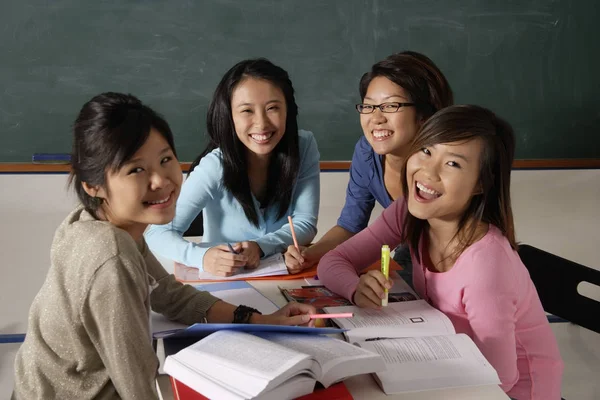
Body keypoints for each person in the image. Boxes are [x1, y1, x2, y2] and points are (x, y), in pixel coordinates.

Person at [12, 93, 316, 400]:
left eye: (165, 159)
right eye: (136, 169)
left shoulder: (99, 224)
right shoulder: (110, 255)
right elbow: (139, 386)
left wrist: (261, 320)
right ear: (94, 185)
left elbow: (168, 295)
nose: (161, 180)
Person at [317, 105, 563, 399]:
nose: (428, 171)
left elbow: (498, 378)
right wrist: (356, 288)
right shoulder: (407, 213)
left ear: (480, 184)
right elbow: (333, 261)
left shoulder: (486, 267)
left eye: (453, 164)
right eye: (426, 150)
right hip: (449, 363)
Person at [285, 51, 453, 285]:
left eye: (390, 105)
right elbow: (350, 226)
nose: (376, 118)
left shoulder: (450, 162)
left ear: (424, 115)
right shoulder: (367, 153)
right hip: (411, 253)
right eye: (368, 106)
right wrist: (311, 253)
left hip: (454, 261)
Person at [145, 58, 320, 276]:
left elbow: (305, 223)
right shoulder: (215, 166)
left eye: (272, 108)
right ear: (230, 116)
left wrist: (261, 246)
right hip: (226, 285)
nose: (262, 123)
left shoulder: (303, 147)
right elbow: (157, 233)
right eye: (247, 111)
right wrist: (202, 257)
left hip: (283, 278)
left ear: (288, 110)